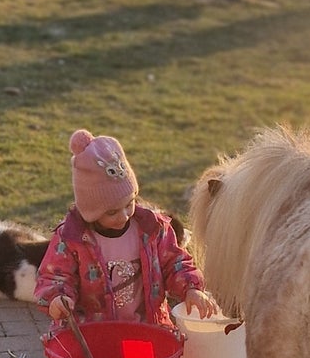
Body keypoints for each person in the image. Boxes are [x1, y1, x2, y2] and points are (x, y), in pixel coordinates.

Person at [34, 129, 219, 327]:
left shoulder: (153, 229)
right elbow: (54, 276)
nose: (123, 216)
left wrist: (191, 288)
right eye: (112, 212)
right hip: (92, 333)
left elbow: (175, 262)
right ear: (90, 211)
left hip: (147, 327)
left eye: (129, 203)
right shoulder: (71, 238)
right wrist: (58, 299)